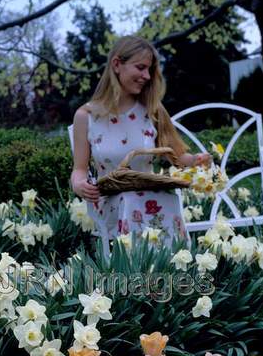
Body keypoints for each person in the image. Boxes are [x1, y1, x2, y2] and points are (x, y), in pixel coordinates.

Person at [70, 35, 211, 246]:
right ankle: (138, 271)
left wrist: (196, 161)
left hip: (151, 196)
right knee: (130, 200)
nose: (146, 76)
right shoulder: (86, 116)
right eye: (140, 67)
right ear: (117, 64)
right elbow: (79, 169)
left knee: (168, 198)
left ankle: (175, 266)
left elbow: (179, 157)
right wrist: (79, 184)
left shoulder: (152, 111)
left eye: (150, 70)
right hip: (110, 200)